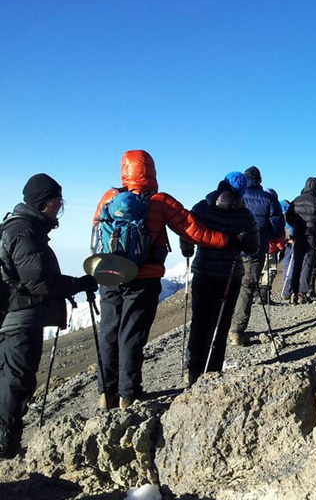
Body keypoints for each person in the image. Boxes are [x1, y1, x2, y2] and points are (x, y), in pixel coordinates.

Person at [93, 150, 232, 411]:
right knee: (132, 334)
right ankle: (128, 393)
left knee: (109, 332)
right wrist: (227, 240)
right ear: (152, 171)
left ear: (124, 170)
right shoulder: (161, 202)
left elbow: (97, 232)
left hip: (110, 275)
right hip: (143, 277)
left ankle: (105, 393)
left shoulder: (109, 198)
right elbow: (194, 231)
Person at [0, 174, 98, 458]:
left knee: (12, 379)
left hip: (14, 316)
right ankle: (6, 445)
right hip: (20, 318)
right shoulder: (25, 232)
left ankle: (7, 441)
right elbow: (40, 282)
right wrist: (78, 284)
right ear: (44, 203)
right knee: (16, 382)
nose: (59, 207)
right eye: (57, 201)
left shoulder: (21, 228)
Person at [180, 172, 258, 385]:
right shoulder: (245, 215)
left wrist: (187, 250)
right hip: (230, 276)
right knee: (221, 326)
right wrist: (240, 242)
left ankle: (193, 374)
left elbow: (187, 235)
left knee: (199, 323)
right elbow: (253, 248)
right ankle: (212, 375)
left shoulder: (201, 208)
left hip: (204, 272)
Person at [229, 168, 284, 346]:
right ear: (259, 180)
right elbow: (276, 228)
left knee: (229, 287)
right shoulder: (269, 199)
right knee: (246, 288)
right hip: (255, 249)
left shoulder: (235, 196)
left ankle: (221, 328)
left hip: (231, 249)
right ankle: (237, 331)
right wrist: (271, 239)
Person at [285, 178, 316, 304]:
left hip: (298, 235)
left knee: (296, 264)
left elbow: (288, 216)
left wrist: (296, 226)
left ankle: (293, 292)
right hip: (312, 237)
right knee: (307, 265)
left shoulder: (296, 200)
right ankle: (302, 293)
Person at [280, 199, 294, 301]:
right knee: (290, 265)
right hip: (291, 240)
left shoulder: (278, 210)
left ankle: (286, 290)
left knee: (286, 264)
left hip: (281, 240)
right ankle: (287, 291)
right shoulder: (290, 212)